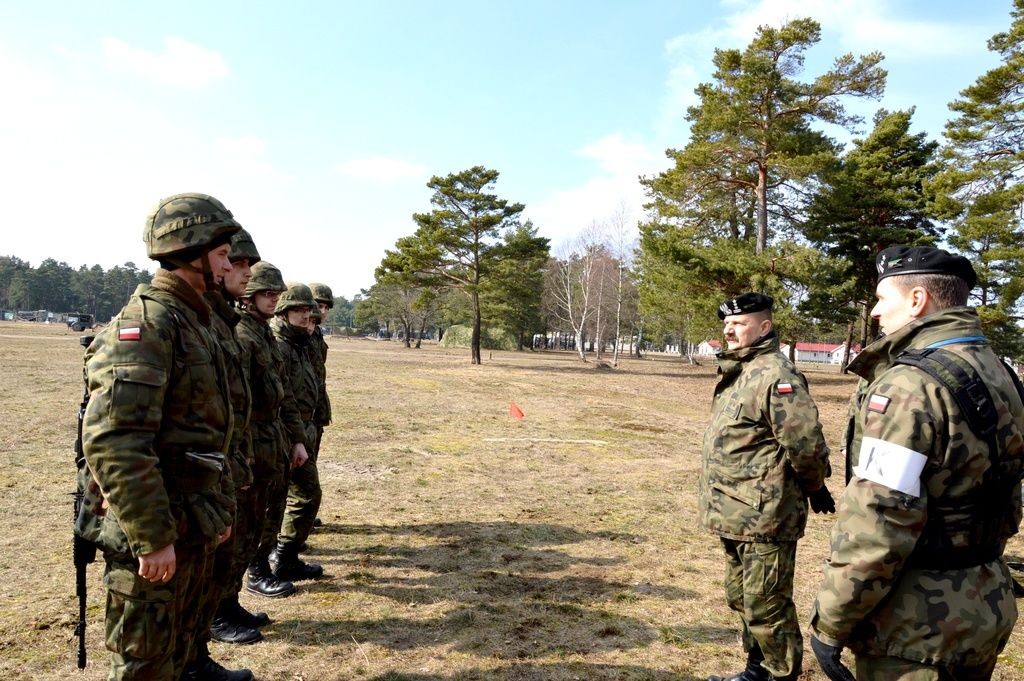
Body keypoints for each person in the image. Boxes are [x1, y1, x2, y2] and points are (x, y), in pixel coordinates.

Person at [810, 245, 1024, 681]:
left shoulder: (911, 386)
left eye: (882, 298)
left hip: (916, 627)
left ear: (917, 299)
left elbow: (880, 520)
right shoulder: (997, 368)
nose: (873, 312)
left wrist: (831, 621)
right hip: (982, 599)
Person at [77, 193, 241, 680]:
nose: (231, 263)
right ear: (192, 252)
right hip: (156, 526)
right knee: (145, 664)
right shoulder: (150, 324)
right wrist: (151, 538)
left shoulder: (196, 320)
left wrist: (216, 510)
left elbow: (210, 432)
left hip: (190, 517)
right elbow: (116, 441)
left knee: (181, 644)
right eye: (222, 254)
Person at [700, 292, 833, 681]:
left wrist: (815, 486)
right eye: (727, 324)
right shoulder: (742, 370)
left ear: (764, 327)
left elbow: (804, 442)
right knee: (741, 597)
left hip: (765, 515)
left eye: (739, 323)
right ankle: (756, 670)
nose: (729, 329)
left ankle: (781, 675)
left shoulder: (776, 374)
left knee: (767, 604)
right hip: (734, 512)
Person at [187, 229, 263, 681]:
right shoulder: (174, 323)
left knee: (207, 579)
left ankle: (196, 660)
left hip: (218, 476)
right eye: (232, 260)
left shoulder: (217, 322)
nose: (242, 272)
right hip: (185, 490)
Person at [240, 263, 309, 599]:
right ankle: (252, 575)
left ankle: (261, 569)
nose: (273, 299)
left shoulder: (263, 334)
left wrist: (296, 439)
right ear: (249, 295)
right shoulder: (242, 334)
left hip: (275, 438)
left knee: (272, 510)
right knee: (251, 516)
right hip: (253, 439)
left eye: (276, 294)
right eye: (267, 293)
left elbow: (283, 393)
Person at [269, 283, 324, 580]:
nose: (306, 316)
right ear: (284, 311)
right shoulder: (279, 345)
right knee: (282, 500)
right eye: (299, 310)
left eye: (308, 310)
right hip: (283, 434)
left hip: (301, 429)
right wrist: (292, 437)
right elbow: (280, 397)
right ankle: (271, 562)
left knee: (307, 495)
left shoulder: (301, 343)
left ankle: (286, 557)